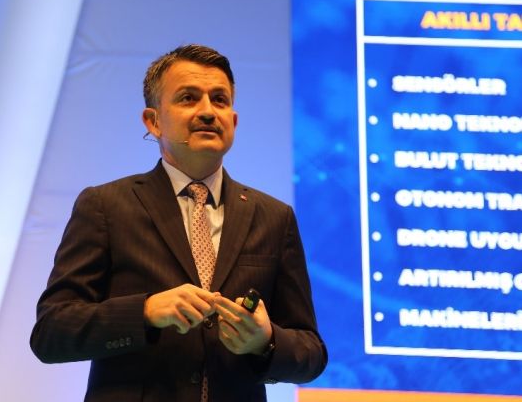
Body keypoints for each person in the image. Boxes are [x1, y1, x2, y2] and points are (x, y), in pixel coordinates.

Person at [30, 44, 326, 401]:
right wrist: (145, 311)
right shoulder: (105, 206)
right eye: (188, 98)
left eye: (220, 100)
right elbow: (51, 332)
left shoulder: (274, 217)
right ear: (153, 121)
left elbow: (311, 352)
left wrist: (266, 341)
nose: (208, 111)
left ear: (233, 121)